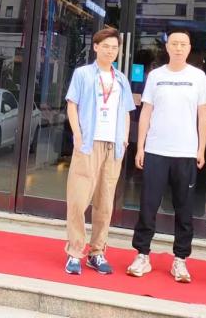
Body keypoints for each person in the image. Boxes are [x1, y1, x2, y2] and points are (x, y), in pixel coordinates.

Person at [127, 29, 206, 283]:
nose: (178, 48)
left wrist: (201, 149)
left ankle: (180, 259)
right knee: (148, 205)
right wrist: (140, 147)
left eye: (183, 44)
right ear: (167, 47)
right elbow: (146, 112)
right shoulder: (156, 76)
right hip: (155, 150)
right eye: (174, 43)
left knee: (184, 208)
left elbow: (203, 116)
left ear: (189, 48)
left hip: (186, 152)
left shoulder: (198, 77)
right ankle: (142, 255)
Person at [63, 27, 136, 276]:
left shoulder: (121, 79)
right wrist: (77, 134)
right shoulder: (83, 74)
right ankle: (75, 252)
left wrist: (124, 139)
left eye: (114, 47)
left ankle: (97, 252)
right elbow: (72, 105)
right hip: (88, 143)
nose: (110, 51)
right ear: (95, 47)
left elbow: (126, 111)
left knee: (105, 203)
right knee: (78, 199)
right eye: (106, 46)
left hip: (113, 146)